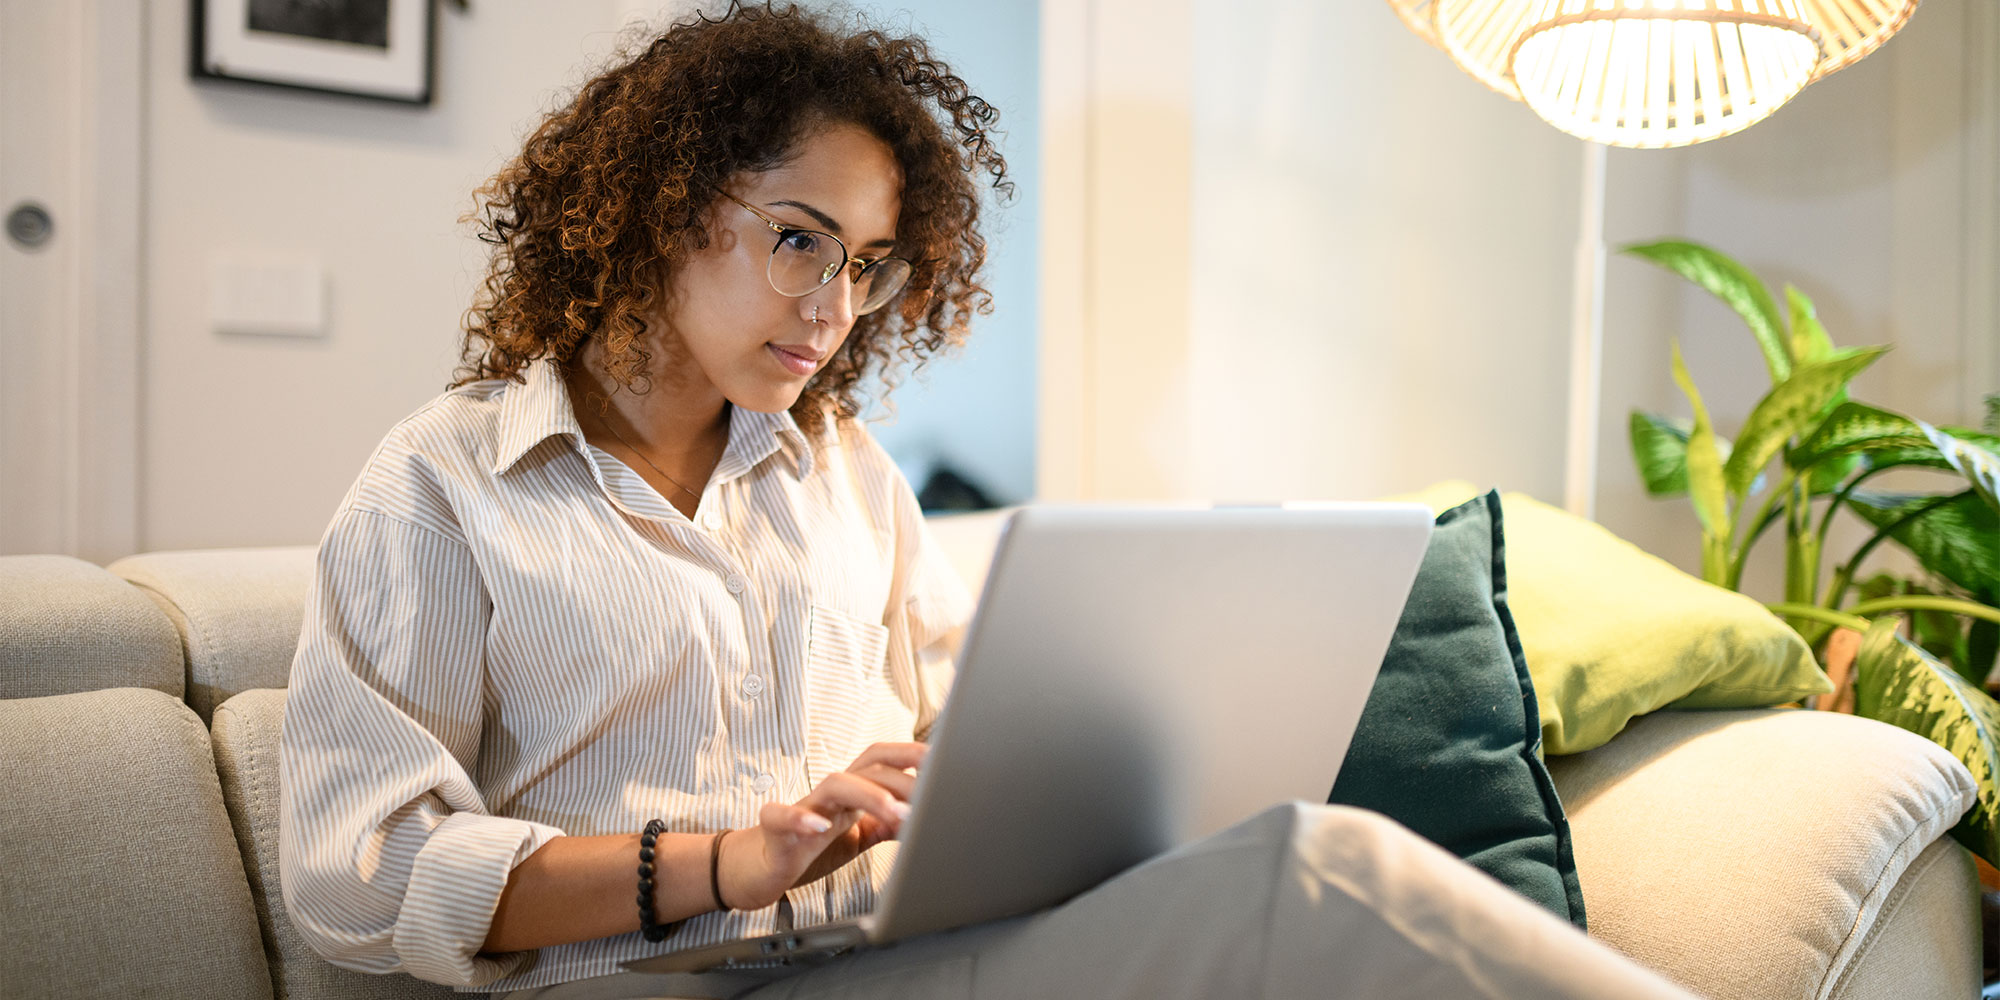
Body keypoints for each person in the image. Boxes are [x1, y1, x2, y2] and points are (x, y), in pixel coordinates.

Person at [279, 4, 1700, 999]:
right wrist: (729, 861)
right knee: (1306, 881)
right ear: (663, 209)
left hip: (875, 958)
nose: (836, 307)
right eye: (800, 242)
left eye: (871, 264)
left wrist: (982, 771)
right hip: (644, 988)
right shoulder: (439, 490)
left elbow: (968, 723)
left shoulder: (841, 475)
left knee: (1282, 867)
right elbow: (362, 881)